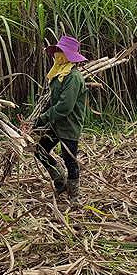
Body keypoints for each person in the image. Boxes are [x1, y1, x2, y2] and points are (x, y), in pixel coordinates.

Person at [33, 36, 88, 199]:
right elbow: (53, 99)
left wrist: (43, 117)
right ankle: (60, 181)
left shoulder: (73, 77)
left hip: (69, 124)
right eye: (56, 51)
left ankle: (74, 195)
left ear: (68, 55)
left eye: (60, 51)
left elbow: (65, 106)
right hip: (56, 123)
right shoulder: (59, 72)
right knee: (40, 151)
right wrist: (39, 117)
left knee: (70, 160)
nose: (56, 54)